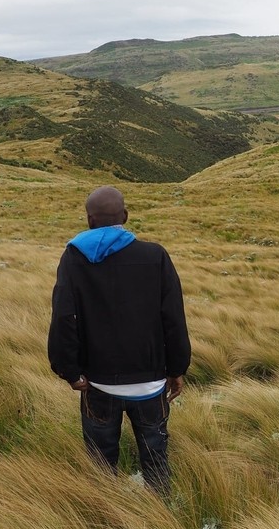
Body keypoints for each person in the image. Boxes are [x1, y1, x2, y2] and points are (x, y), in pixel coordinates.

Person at [48, 186, 190, 494]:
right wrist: (177, 369)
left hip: (98, 385)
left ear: (89, 220)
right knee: (155, 463)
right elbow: (174, 319)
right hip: (150, 385)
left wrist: (68, 371)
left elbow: (62, 318)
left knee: (100, 468)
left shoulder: (73, 259)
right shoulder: (155, 257)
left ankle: (103, 528)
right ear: (125, 216)